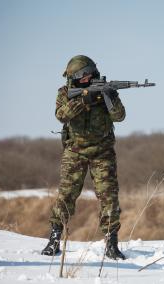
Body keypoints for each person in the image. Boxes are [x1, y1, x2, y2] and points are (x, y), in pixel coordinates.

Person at [41, 55, 126, 260]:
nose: (88, 78)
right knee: (66, 196)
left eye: (89, 74)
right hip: (75, 151)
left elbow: (120, 116)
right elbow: (61, 115)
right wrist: (84, 100)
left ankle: (111, 241)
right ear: (76, 77)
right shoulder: (65, 93)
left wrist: (109, 97)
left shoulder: (105, 90)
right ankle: (54, 238)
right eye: (83, 75)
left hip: (102, 151)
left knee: (109, 197)